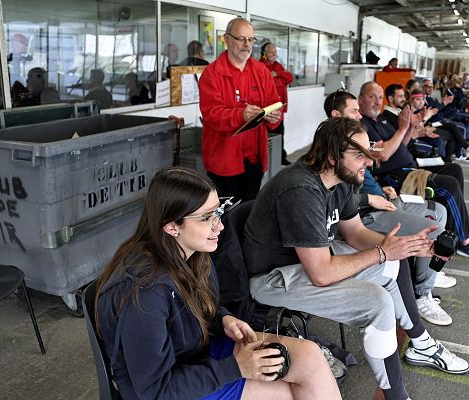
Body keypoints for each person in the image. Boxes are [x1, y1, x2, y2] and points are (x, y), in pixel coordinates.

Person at [244, 118, 469, 400]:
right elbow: (321, 273)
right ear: (332, 156)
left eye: (368, 152)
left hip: (307, 262)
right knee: (378, 302)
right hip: (274, 277)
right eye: (359, 154)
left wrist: (405, 248)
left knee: (392, 262)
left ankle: (421, 344)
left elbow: (355, 233)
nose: (369, 161)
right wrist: (382, 252)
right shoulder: (301, 189)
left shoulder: (340, 178)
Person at [94, 166, 341, 400]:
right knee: (291, 394)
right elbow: (155, 391)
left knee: (310, 355)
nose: (220, 225)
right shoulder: (144, 293)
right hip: (169, 387)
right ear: (171, 227)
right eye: (206, 218)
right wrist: (235, 367)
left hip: (197, 351)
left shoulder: (193, 253)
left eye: (218, 211)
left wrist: (223, 318)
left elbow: (193, 309)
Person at [324, 90, 457, 325]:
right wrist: (367, 199)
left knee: (439, 211)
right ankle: (421, 295)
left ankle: (427, 275)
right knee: (433, 228)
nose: (359, 115)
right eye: (354, 111)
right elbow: (334, 197)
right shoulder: (334, 148)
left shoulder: (357, 136)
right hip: (366, 213)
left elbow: (375, 164)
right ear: (336, 115)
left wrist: (379, 188)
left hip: (383, 197)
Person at [358, 81, 469, 263]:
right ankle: (465, 241)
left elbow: (403, 144)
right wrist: (402, 128)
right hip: (395, 175)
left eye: (379, 97)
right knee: (448, 186)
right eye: (372, 97)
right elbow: (383, 155)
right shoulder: (362, 126)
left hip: (411, 166)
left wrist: (409, 127)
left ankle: (454, 231)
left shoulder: (381, 120)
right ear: (360, 99)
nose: (377, 102)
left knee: (454, 169)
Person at [199, 18, 282, 201]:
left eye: (251, 39)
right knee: (226, 213)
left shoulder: (261, 71)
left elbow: (274, 103)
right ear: (227, 39)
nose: (247, 45)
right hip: (224, 162)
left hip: (254, 159)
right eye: (241, 39)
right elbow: (212, 115)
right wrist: (241, 115)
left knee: (249, 209)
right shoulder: (212, 74)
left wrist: (274, 116)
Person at [408, 88, 469, 162]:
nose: (421, 102)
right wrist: (426, 127)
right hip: (418, 134)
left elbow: (433, 111)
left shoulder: (425, 106)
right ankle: (449, 158)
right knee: (440, 138)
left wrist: (444, 103)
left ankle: (452, 157)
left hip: (431, 125)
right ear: (411, 100)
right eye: (418, 99)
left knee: (452, 131)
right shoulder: (409, 111)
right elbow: (415, 128)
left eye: (422, 99)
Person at [260, 42, 294, 165]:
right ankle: (266, 161)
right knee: (265, 136)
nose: (275, 54)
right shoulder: (260, 66)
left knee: (280, 134)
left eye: (275, 52)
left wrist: (277, 74)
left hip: (279, 109)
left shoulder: (277, 66)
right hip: (267, 110)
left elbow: (289, 78)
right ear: (264, 53)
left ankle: (280, 158)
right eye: (271, 52)